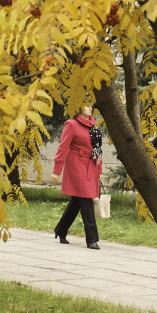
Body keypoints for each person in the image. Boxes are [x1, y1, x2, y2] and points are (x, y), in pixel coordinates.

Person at [50, 104, 103, 249]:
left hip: (91, 166)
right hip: (77, 166)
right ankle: (92, 239)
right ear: (78, 107)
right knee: (86, 200)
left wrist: (99, 171)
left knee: (77, 202)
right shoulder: (71, 125)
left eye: (91, 105)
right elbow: (63, 147)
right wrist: (56, 170)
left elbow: (98, 149)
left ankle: (61, 230)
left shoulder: (94, 125)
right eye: (86, 105)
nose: (90, 108)